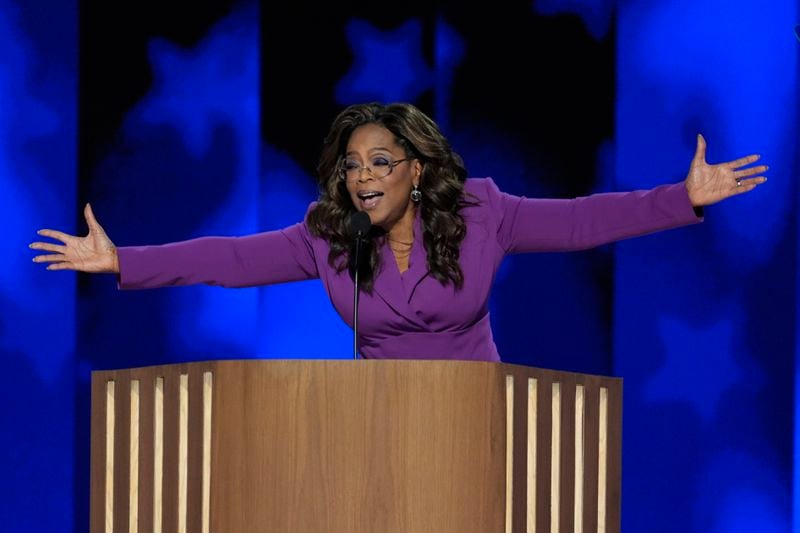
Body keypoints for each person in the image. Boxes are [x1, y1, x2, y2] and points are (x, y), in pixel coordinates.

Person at [29, 102, 767, 361]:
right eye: (352, 164)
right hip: (378, 426)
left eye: (381, 160)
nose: (364, 175)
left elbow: (579, 220)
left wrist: (681, 198)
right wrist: (124, 258)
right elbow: (227, 259)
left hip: (475, 424)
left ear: (417, 169)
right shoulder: (327, 232)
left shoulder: (481, 210)